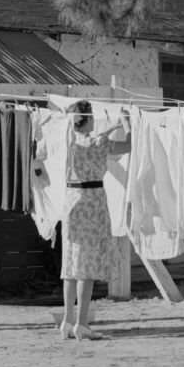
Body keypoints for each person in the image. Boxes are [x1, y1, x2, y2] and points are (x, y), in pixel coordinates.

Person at [57, 99, 130, 340]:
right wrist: (126, 122)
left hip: (71, 200)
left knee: (70, 266)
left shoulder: (67, 143)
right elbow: (129, 145)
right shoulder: (99, 142)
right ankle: (81, 324)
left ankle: (67, 321)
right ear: (88, 118)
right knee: (85, 268)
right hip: (92, 201)